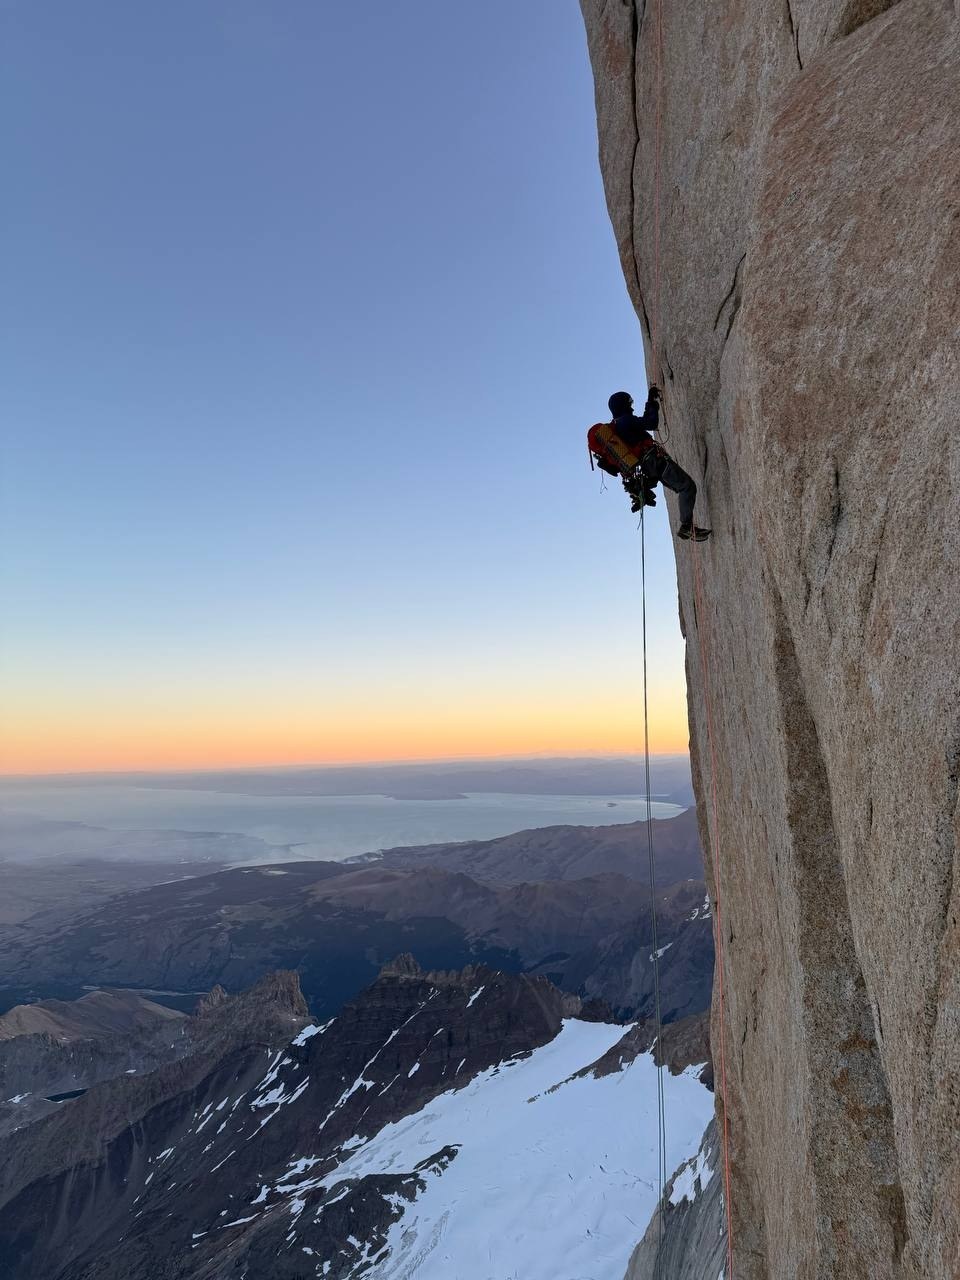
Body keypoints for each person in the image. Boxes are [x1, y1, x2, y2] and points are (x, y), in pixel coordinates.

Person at [600, 388, 711, 541]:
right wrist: (652, 404)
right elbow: (651, 422)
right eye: (630, 404)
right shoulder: (626, 420)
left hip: (649, 466)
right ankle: (686, 527)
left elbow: (643, 422)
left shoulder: (619, 425)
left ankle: (688, 526)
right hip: (655, 461)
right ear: (623, 405)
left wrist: (650, 401)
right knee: (687, 486)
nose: (632, 407)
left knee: (682, 487)